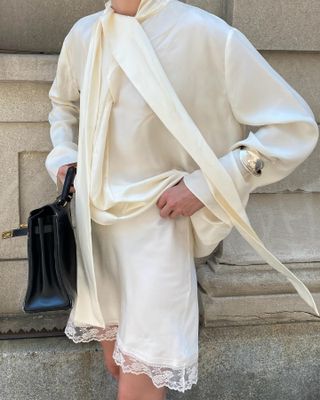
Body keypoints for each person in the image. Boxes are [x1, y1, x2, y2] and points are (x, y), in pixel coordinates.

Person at [45, 0, 319, 399]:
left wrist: (208, 185)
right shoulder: (85, 33)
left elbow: (293, 127)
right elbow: (61, 103)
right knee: (118, 365)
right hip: (94, 228)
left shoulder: (206, 34)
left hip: (159, 228)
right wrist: (65, 157)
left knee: (143, 378)